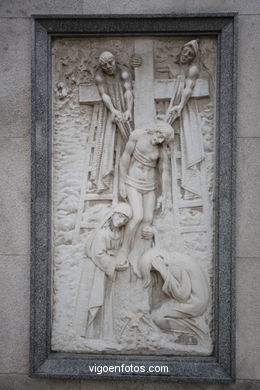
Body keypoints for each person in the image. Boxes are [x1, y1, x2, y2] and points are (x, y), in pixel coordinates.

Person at [117, 121, 174, 275]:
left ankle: (138, 255)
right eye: (161, 135)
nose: (161, 140)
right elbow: (125, 157)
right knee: (137, 217)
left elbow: (164, 172)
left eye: (164, 139)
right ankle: (123, 250)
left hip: (150, 186)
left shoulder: (162, 149)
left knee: (148, 220)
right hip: (133, 182)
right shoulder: (137, 135)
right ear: (156, 130)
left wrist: (164, 196)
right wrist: (122, 181)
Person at [75, 202, 132, 340]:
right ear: (113, 214)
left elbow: (118, 250)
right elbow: (99, 254)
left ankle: (103, 333)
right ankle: (90, 333)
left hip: (106, 269)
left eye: (125, 220)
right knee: (94, 298)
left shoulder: (118, 233)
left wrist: (121, 261)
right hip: (96, 269)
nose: (121, 221)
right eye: (120, 216)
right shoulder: (102, 233)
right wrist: (114, 265)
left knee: (106, 299)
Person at [167, 39, 205, 199]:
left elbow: (188, 89)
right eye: (185, 51)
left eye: (190, 54)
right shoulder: (173, 65)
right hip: (170, 109)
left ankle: (191, 188)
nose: (186, 55)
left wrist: (180, 106)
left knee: (189, 143)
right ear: (181, 50)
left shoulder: (193, 69)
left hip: (185, 110)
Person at [93, 51, 133, 192]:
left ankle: (131, 178)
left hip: (124, 105)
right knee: (107, 141)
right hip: (110, 108)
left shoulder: (124, 72)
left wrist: (128, 110)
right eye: (105, 65)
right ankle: (105, 181)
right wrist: (113, 110)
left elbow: (128, 92)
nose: (109, 67)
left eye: (111, 62)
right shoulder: (99, 75)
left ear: (115, 60)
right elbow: (104, 94)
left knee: (129, 140)